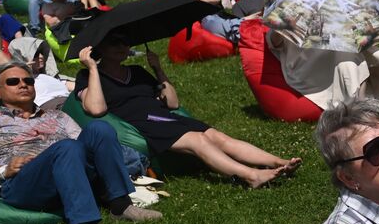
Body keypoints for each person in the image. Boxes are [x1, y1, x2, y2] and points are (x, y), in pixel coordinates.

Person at [0, 60, 162, 224]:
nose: (23, 85)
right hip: (22, 182)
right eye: (13, 82)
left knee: (99, 129)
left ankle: (121, 205)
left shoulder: (58, 116)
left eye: (28, 81)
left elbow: (83, 147)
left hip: (67, 168)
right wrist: (4, 170)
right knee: (66, 147)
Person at [77, 33, 300, 187]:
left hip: (163, 116)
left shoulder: (136, 71)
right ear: (100, 48)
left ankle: (278, 162)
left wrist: (158, 69)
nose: (121, 47)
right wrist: (93, 69)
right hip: (143, 123)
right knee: (198, 140)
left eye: (125, 42)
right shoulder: (87, 77)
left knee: (217, 137)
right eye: (114, 42)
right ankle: (252, 176)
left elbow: (172, 103)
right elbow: (96, 108)